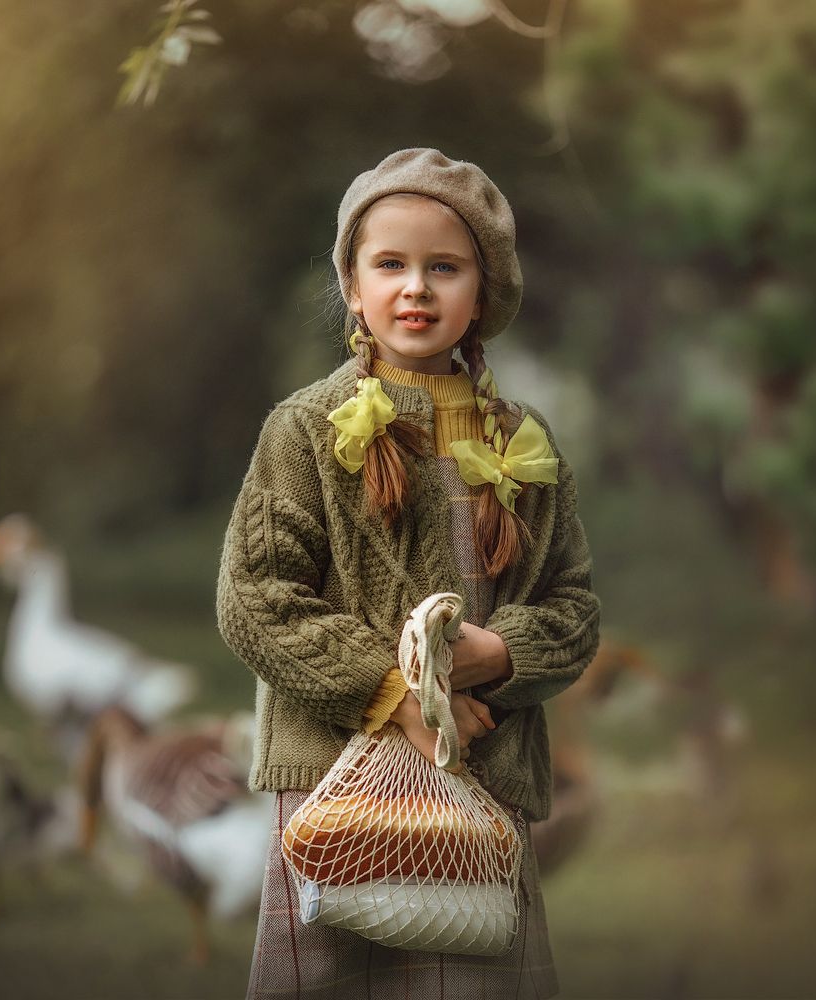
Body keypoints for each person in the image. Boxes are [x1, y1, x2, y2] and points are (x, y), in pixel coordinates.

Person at [216, 147, 601, 999]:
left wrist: (499, 654)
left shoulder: (522, 442)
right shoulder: (305, 429)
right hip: (340, 793)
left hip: (479, 789)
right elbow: (256, 599)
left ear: (483, 294)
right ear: (354, 288)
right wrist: (400, 697)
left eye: (445, 268)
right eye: (390, 264)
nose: (416, 288)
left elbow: (573, 609)